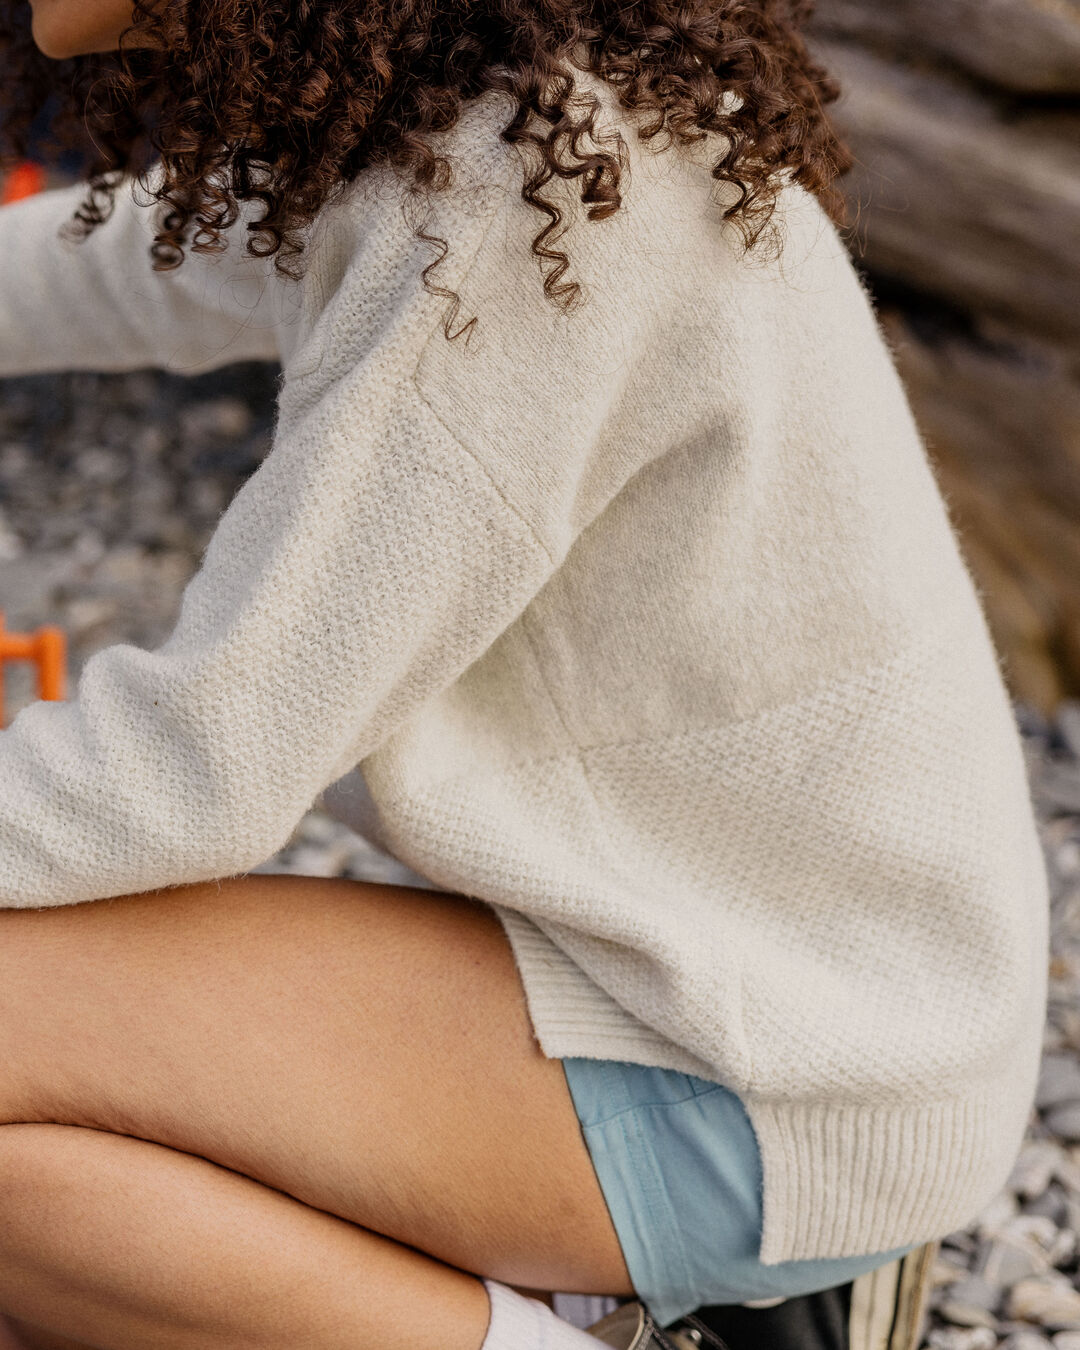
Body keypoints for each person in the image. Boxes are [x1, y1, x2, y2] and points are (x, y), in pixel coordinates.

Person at [0, 0, 1050, 1346]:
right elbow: (142, 263)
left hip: (783, 1071)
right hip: (746, 975)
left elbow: (198, 762)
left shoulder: (510, 220)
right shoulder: (506, 132)